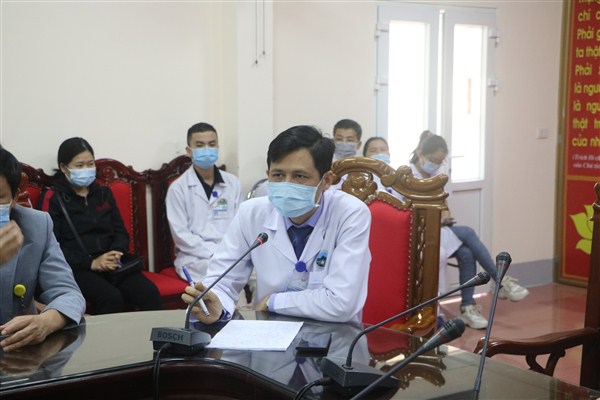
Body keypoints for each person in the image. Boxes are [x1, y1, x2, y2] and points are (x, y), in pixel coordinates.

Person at [182, 125, 372, 324]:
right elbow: (222, 280)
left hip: (334, 334)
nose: (286, 185)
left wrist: (273, 302)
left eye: (299, 176)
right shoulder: (251, 213)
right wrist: (216, 306)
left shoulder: (350, 213)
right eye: (278, 175)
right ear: (268, 174)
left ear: (326, 181)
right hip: (270, 331)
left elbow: (342, 302)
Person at [409, 132, 529, 329]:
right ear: (420, 152)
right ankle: (500, 281)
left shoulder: (437, 177)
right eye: (433, 160)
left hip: (439, 230)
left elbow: (444, 206)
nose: (435, 164)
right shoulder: (407, 176)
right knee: (468, 233)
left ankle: (468, 307)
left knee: (467, 253)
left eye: (439, 161)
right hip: (417, 232)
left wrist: (445, 216)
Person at [44, 137, 162, 315]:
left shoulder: (103, 193)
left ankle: (153, 334)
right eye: (79, 165)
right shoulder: (54, 198)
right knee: (111, 298)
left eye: (90, 164)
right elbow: (53, 246)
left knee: (149, 292)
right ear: (63, 167)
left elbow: (120, 231)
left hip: (112, 262)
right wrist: (92, 263)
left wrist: (115, 252)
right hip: (78, 267)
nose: (86, 169)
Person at [0, 147, 86, 352]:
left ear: (14, 198)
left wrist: (46, 322)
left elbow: (68, 292)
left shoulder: (36, 225)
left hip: (20, 350)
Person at [166, 122, 243, 283]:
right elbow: (181, 236)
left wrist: (229, 251)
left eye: (212, 144)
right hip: (195, 258)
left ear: (218, 147)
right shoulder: (178, 188)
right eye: (200, 145)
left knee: (256, 270)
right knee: (221, 273)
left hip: (231, 251)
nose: (207, 149)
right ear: (189, 151)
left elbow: (240, 225)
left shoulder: (233, 183)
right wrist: (216, 251)